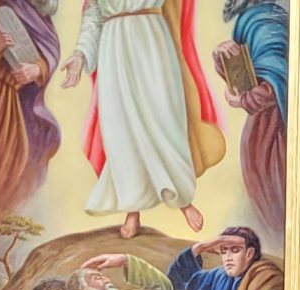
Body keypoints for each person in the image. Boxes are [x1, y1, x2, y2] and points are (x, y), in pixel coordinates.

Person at [60, 0, 223, 240]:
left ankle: (182, 199)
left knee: (166, 120)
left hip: (152, 42)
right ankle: (133, 209)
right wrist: (80, 54)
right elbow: (93, 16)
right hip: (114, 49)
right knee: (122, 128)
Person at [217, 0, 286, 234]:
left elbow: (274, 85)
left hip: (273, 134)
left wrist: (244, 100)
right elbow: (245, 78)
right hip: (262, 131)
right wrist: (223, 57)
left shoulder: (264, 22)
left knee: (275, 203)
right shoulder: (254, 19)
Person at [0, 1, 60, 213]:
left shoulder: (39, 12)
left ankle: (3, 215)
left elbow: (51, 50)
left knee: (19, 160)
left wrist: (37, 69)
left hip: (20, 102)